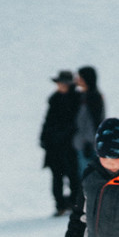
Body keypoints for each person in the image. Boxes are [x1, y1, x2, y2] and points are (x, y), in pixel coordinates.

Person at [40, 71, 81, 216]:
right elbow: (48, 121)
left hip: (70, 147)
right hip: (54, 147)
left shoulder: (77, 99)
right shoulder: (54, 99)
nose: (60, 86)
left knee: (73, 176)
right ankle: (60, 205)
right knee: (57, 177)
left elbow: (76, 123)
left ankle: (74, 204)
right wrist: (44, 139)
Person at [73, 65, 106, 176]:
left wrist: (89, 142)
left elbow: (94, 122)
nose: (77, 81)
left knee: (87, 176)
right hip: (81, 144)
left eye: (80, 78)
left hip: (88, 145)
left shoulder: (94, 97)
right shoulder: (83, 96)